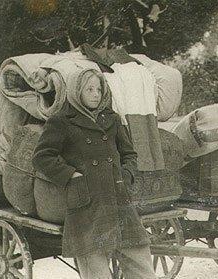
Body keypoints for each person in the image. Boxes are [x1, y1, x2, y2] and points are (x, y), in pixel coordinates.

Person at [32, 68, 157, 279]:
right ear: (77, 91)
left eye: (99, 89)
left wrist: (126, 175)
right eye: (89, 89)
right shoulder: (61, 120)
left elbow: (129, 154)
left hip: (118, 199)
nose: (95, 94)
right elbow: (42, 156)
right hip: (87, 205)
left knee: (141, 263)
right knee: (96, 272)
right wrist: (71, 175)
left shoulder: (112, 118)